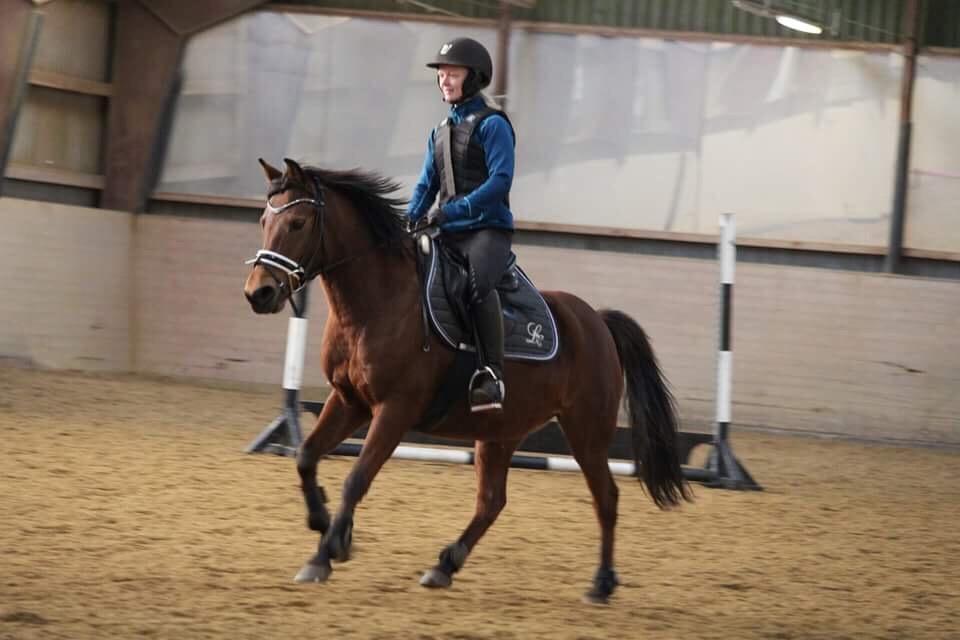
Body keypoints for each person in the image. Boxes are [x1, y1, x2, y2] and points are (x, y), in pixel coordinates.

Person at [408, 37, 516, 413]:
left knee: (475, 283)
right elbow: (427, 185)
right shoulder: (439, 131)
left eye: (453, 74)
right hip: (448, 230)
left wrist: (456, 210)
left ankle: (492, 375)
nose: (445, 80)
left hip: (487, 230)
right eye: (441, 74)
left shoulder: (493, 125)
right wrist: (409, 219)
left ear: (474, 78)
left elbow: (501, 180)